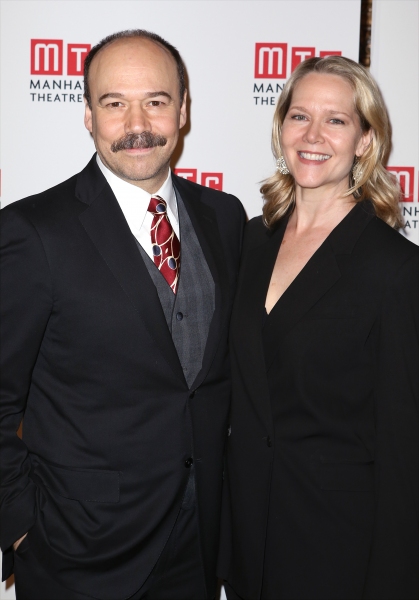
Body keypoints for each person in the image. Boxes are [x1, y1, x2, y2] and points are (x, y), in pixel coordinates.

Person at [0, 29, 245, 600]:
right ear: (88, 115)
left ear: (183, 111)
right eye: (115, 104)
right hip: (78, 554)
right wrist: (21, 527)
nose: (138, 124)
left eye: (156, 101)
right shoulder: (34, 232)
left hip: (200, 547)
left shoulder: (224, 218)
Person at [218, 56, 418, 600]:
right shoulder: (249, 242)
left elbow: (406, 453)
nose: (312, 135)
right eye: (299, 116)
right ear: (280, 126)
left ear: (365, 139)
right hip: (246, 545)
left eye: (336, 120)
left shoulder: (394, 268)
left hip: (338, 552)